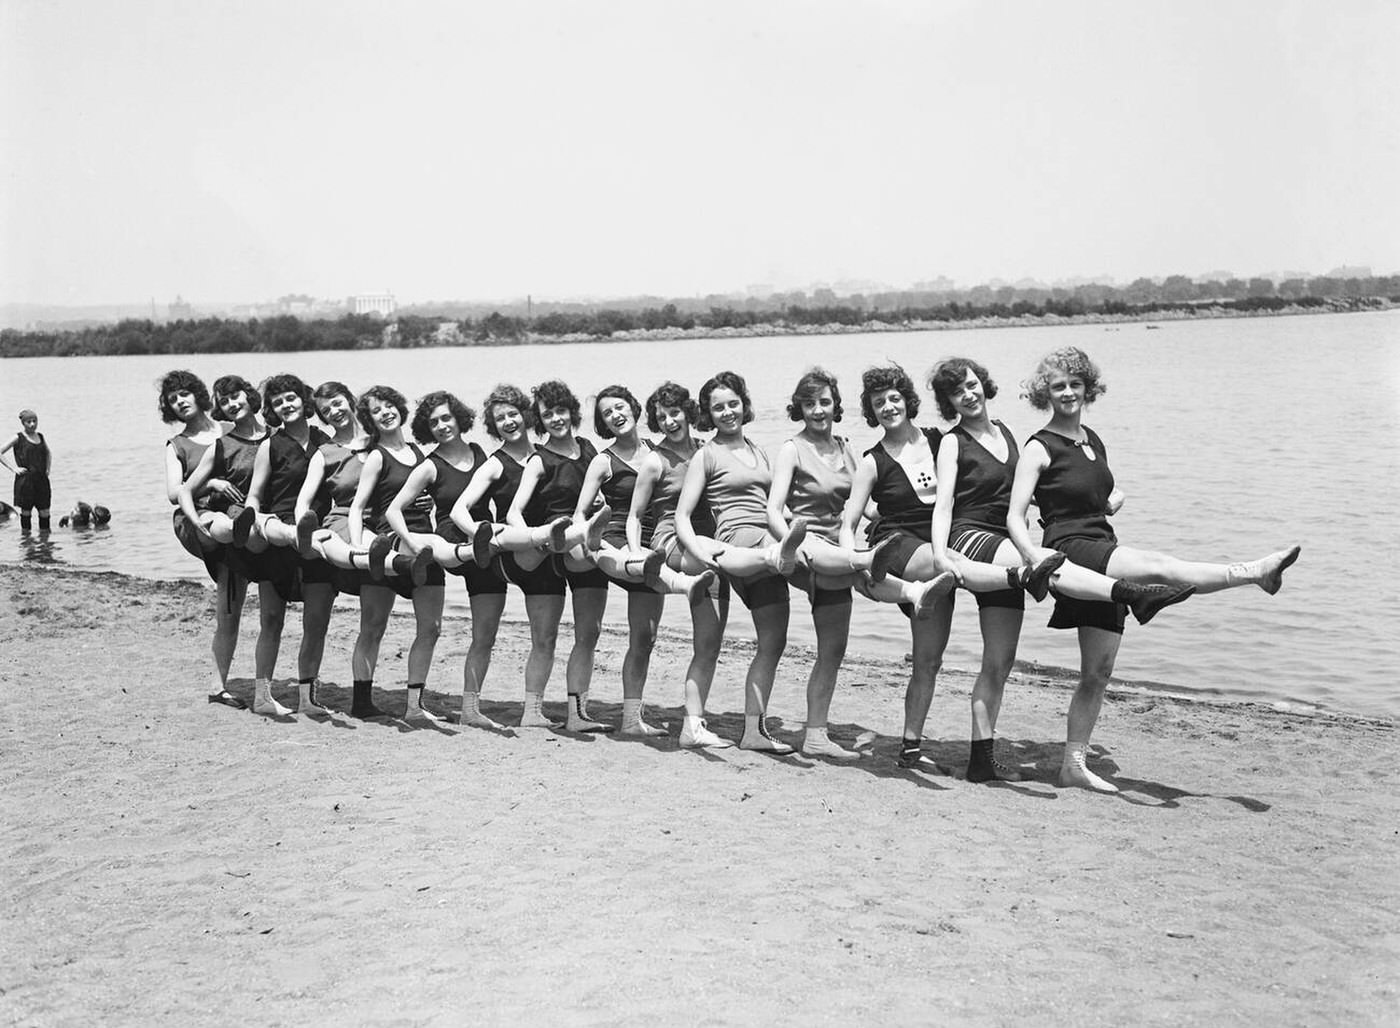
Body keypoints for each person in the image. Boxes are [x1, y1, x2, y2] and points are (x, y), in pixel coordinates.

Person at [1006, 347, 1301, 793]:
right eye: (1057, 386)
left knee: (1098, 672)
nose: (1067, 392)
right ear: (1044, 393)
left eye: (1074, 384)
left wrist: (1109, 500)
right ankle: (1254, 572)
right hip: (1070, 549)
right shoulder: (1038, 446)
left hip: (1101, 540)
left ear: (1088, 387)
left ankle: (1072, 765)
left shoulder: (1092, 440)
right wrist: (1035, 558)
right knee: (1158, 567)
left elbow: (1086, 492)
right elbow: (1014, 516)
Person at [928, 357, 1193, 782]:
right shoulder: (952, 443)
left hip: (1009, 548)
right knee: (1051, 563)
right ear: (948, 402)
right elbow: (944, 505)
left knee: (1000, 661)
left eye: (973, 384)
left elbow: (1026, 495)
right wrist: (942, 555)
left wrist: (1096, 503)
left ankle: (981, 761)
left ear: (985, 385)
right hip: (972, 539)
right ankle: (1128, 593)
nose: (969, 394)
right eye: (958, 392)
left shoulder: (1008, 436)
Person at [767, 369, 953, 760]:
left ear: (836, 405)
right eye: (809, 404)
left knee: (833, 649)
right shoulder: (791, 449)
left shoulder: (847, 447)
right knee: (858, 571)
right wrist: (791, 543)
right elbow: (774, 510)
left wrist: (887, 520)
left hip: (843, 546)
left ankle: (815, 734)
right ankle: (893, 577)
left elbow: (860, 504)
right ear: (798, 408)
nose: (818, 410)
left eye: (825, 402)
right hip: (810, 545)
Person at [676, 370, 808, 753]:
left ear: (744, 404)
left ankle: (754, 732)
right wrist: (699, 551)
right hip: (736, 541)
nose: (727, 412)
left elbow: (775, 504)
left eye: (733, 403)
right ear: (708, 413)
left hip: (769, 541)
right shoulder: (707, 454)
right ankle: (778, 556)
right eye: (718, 407)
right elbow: (683, 515)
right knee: (709, 645)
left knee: (774, 642)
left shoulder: (758, 450)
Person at [574, 385, 716, 735]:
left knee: (645, 637)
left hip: (653, 544)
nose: (615, 416)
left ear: (635, 409)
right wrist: (593, 535)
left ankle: (631, 719)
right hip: (615, 535)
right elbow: (580, 511)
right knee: (621, 559)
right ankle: (619, 555)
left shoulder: (658, 453)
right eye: (607, 413)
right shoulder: (602, 460)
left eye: (619, 407)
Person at [385, 390, 508, 729]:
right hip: (447, 541)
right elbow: (393, 509)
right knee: (430, 630)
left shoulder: (482, 454)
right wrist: (411, 541)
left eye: (446, 418)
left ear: (459, 418)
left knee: (486, 633)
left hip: (483, 539)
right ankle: (413, 706)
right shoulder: (429, 466)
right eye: (433, 422)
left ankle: (470, 709)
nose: (441, 426)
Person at [627, 382, 732, 748]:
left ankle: (692, 725)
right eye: (662, 417)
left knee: (709, 644)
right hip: (670, 542)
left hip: (708, 546)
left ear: (689, 413)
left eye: (675, 413)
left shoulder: (706, 451)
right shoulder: (655, 461)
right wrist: (635, 552)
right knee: (645, 635)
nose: (670, 421)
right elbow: (636, 516)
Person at [506, 379, 615, 733]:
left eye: (560, 410)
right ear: (539, 420)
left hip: (582, 546)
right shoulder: (539, 459)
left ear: (572, 412)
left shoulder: (590, 450)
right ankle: (532, 712)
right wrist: (528, 539)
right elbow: (514, 511)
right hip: (545, 552)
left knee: (589, 633)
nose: (555, 418)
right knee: (545, 638)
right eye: (547, 414)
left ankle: (577, 714)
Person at [347, 385, 446, 722]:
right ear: (370, 421)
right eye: (377, 410)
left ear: (400, 408)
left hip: (425, 543)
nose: (386, 412)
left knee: (431, 628)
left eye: (389, 405)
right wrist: (360, 546)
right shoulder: (377, 456)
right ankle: (361, 701)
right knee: (373, 626)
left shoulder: (421, 454)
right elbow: (358, 506)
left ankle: (415, 705)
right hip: (387, 545)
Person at [238, 373, 332, 717]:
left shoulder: (327, 442)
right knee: (272, 619)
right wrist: (251, 522)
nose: (286, 405)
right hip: (278, 533)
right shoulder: (270, 445)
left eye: (291, 398)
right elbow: (256, 494)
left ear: (303, 400)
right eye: (278, 402)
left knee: (317, 619)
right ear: (272, 410)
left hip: (318, 534)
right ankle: (263, 695)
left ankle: (308, 696)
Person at [160, 370, 248, 709]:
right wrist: (209, 484)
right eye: (172, 400)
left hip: (236, 522)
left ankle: (218, 686)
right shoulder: (177, 445)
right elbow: (173, 492)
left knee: (230, 609)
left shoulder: (231, 430)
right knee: (218, 527)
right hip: (196, 520)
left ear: (198, 394)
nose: (180, 402)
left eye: (184, 394)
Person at [1, 409, 52, 533]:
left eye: (34, 421)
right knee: (26, 512)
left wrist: (48, 469)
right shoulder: (18, 437)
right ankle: (26, 541)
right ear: (23, 423)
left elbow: (48, 453)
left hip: (41, 480)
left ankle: (44, 542)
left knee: (44, 512)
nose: (32, 424)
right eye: (29, 422)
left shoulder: (40, 436)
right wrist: (13, 468)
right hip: (25, 481)